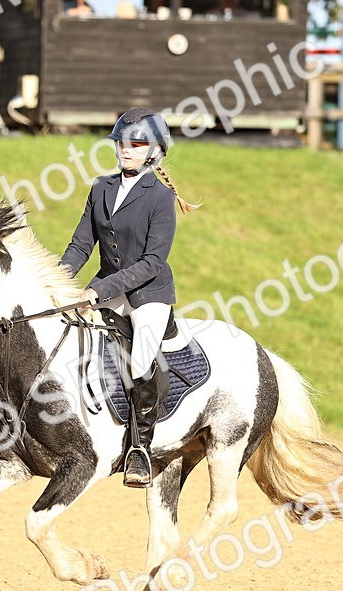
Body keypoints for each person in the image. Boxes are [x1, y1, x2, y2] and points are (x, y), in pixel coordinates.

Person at [59, 107, 200, 488]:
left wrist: (99, 290)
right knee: (66, 334)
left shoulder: (160, 197)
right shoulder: (101, 187)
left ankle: (139, 446)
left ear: (154, 151)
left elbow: (153, 261)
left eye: (135, 143)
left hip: (147, 293)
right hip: (106, 285)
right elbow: (80, 244)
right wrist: (55, 282)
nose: (125, 148)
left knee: (140, 361)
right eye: (121, 141)